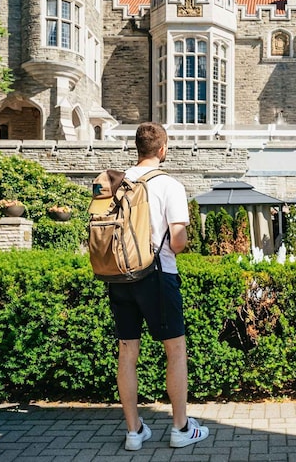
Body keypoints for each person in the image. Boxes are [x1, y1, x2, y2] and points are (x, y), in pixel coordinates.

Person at [106, 122, 209, 451]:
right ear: (162, 149)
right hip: (157, 274)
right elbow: (177, 242)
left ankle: (134, 431)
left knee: (127, 351)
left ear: (136, 148)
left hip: (119, 276)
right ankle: (180, 428)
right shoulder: (169, 185)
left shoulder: (117, 182)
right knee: (175, 351)